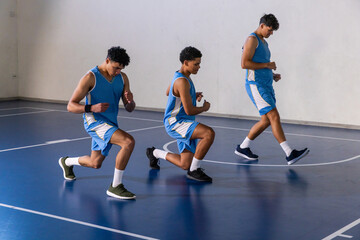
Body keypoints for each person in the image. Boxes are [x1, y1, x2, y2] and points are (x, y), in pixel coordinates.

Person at [58, 46, 136, 199]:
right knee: (128, 142)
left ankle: (67, 162)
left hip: (110, 123)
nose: (118, 71)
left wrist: (130, 101)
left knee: (95, 163)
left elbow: (129, 108)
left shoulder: (122, 77)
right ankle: (116, 186)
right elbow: (71, 105)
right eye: (116, 67)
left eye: (121, 68)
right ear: (107, 60)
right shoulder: (90, 77)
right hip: (94, 122)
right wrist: (91, 107)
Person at [235, 14, 309, 165]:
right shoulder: (252, 39)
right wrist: (267, 66)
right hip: (256, 85)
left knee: (266, 121)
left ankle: (243, 147)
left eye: (273, 31)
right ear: (262, 25)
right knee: (274, 116)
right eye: (269, 30)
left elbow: (259, 63)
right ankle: (289, 153)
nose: (271, 33)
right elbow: (244, 64)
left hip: (266, 83)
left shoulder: (263, 42)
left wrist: (271, 74)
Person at [146, 46, 215, 182]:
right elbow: (189, 110)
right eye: (196, 64)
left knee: (185, 164)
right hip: (177, 123)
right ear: (185, 62)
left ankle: (154, 153)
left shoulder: (180, 75)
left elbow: (169, 92)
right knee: (208, 134)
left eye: (199, 64)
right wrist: (204, 108)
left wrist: (190, 96)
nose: (199, 67)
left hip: (184, 121)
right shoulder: (182, 81)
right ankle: (194, 170)